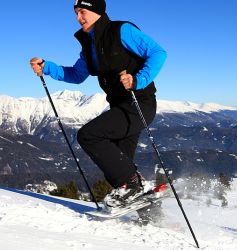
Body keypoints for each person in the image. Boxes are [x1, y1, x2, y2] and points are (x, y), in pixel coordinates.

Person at [29, 0, 167, 209]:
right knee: (119, 169)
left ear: (97, 11)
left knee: (89, 135)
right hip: (119, 107)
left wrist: (138, 79)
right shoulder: (88, 44)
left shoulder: (122, 31)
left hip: (140, 104)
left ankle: (133, 186)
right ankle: (152, 218)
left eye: (82, 11)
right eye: (75, 13)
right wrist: (47, 67)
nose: (78, 18)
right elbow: (76, 75)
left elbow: (158, 53)